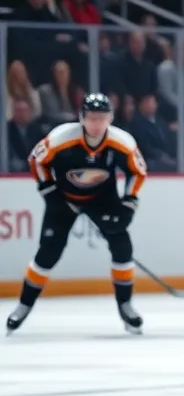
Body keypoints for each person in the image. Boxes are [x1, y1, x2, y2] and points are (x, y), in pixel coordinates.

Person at [7, 93, 148, 335]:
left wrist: (129, 203)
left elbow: (138, 172)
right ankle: (23, 305)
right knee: (48, 254)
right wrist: (49, 191)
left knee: (122, 247)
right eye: (91, 118)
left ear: (110, 119)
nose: (96, 124)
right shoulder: (61, 138)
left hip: (102, 198)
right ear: (81, 118)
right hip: (64, 199)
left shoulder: (122, 142)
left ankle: (125, 305)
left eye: (102, 118)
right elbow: (36, 161)